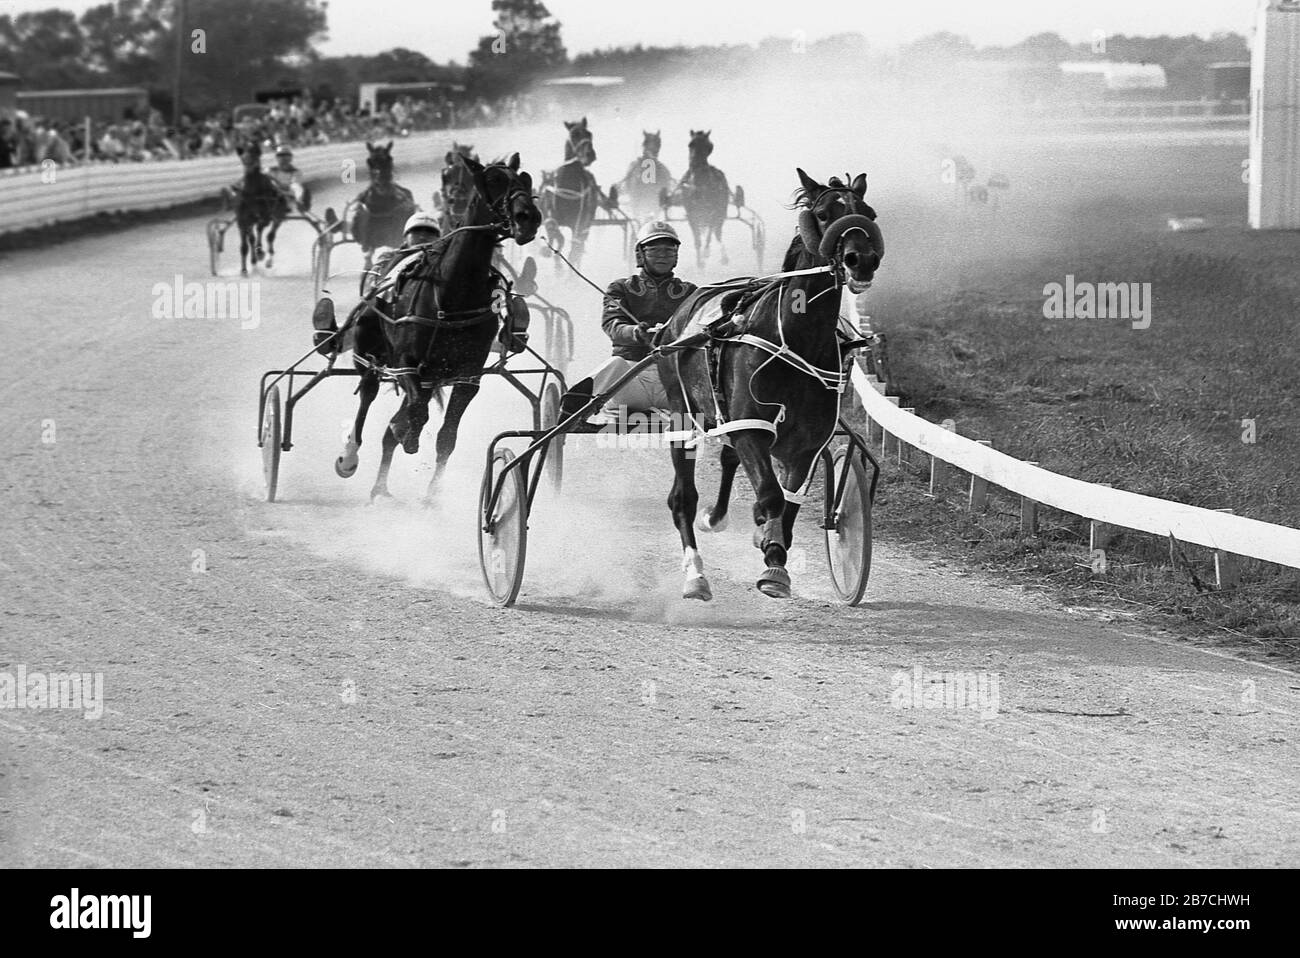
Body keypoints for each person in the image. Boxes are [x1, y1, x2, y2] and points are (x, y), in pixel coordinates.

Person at [560, 220, 697, 424]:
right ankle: (571, 411)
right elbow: (612, 324)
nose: (662, 256)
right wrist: (635, 332)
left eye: (669, 251)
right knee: (615, 364)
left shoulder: (690, 293)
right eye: (654, 250)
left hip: (672, 384)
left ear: (676, 255)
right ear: (640, 254)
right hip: (630, 382)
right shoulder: (621, 288)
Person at [268, 145, 311, 211]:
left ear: (290, 158)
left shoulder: (296, 172)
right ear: (277, 158)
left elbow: (295, 186)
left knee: (297, 187)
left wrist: (280, 188)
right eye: (281, 155)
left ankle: (299, 203)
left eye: (286, 155)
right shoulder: (270, 170)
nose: (283, 158)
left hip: (288, 193)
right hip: (272, 194)